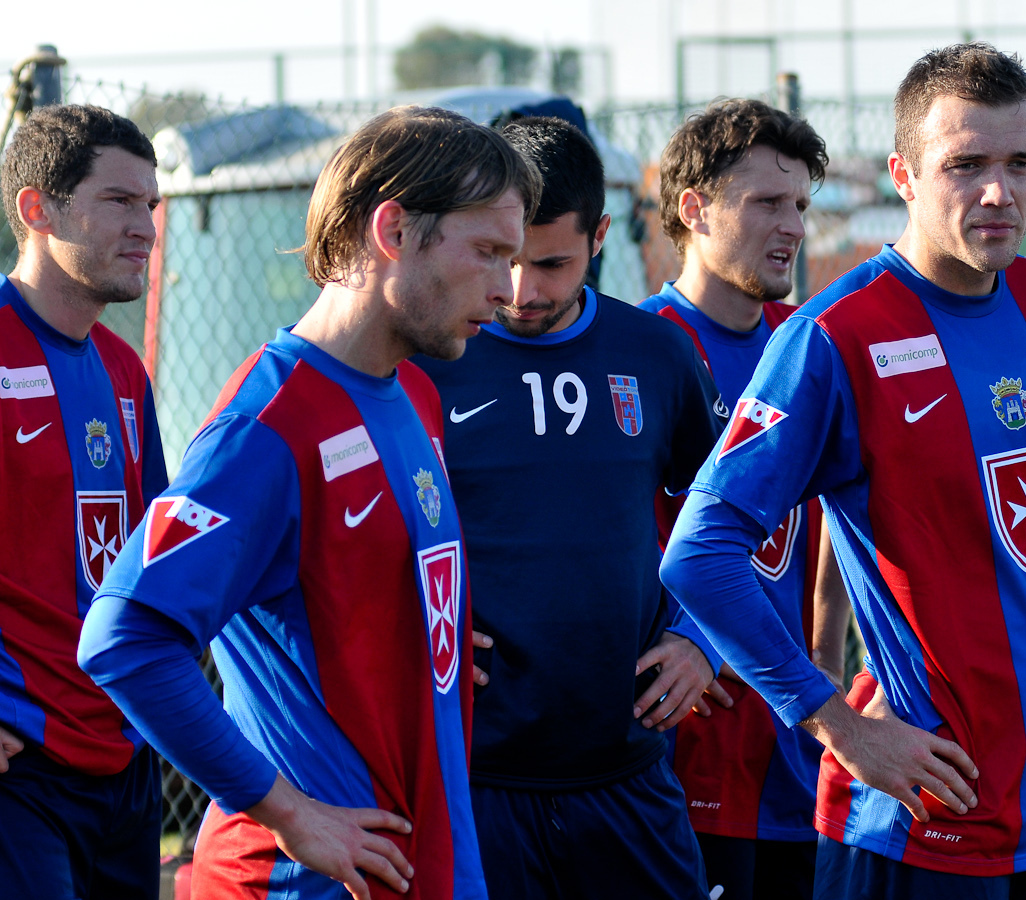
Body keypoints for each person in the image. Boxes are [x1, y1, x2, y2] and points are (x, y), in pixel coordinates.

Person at [662, 43, 1026, 900]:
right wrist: (837, 725)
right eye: (965, 165)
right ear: (904, 176)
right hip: (920, 822)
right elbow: (700, 554)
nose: (999, 192)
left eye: (1021, 163)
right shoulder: (835, 335)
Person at [79, 106, 538, 900]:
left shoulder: (416, 395)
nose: (507, 289)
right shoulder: (269, 426)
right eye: (489, 253)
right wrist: (290, 814)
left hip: (421, 866)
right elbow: (124, 639)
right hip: (303, 880)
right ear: (394, 230)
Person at [411, 116, 723, 900]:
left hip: (627, 771)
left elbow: (733, 516)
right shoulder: (423, 360)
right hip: (475, 777)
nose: (523, 291)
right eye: (504, 259)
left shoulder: (656, 353)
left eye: (551, 264)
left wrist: (701, 639)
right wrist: (404, 621)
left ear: (601, 237)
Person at [638, 97, 850, 900]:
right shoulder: (641, 348)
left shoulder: (809, 343)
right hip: (686, 747)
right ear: (694, 209)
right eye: (766, 202)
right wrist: (692, 638)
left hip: (797, 740)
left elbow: (834, 524)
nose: (791, 226)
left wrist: (825, 659)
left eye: (799, 204)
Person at [0, 104, 168, 900]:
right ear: (38, 209)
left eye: (151, 205)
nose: (146, 228)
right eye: (120, 201)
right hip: (21, 761)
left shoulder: (124, 368)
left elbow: (160, 554)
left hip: (124, 749)